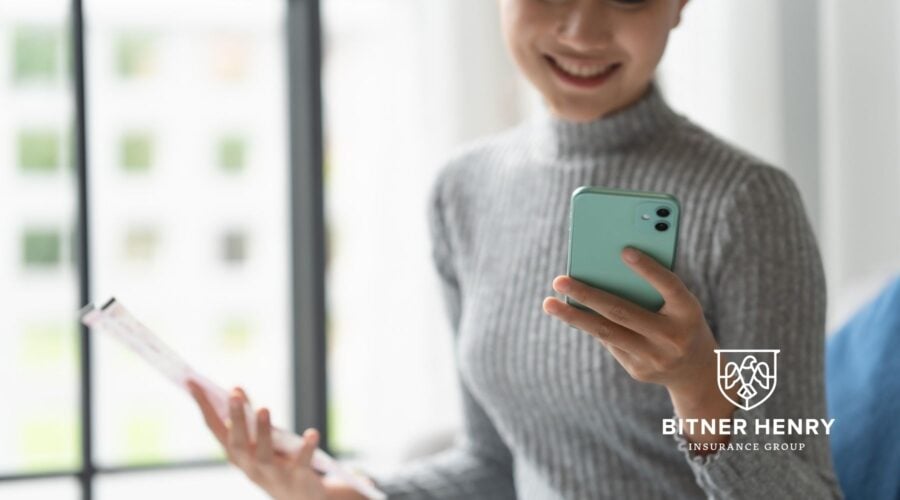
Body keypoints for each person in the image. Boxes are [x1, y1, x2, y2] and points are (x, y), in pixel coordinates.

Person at [189, 0, 844, 498]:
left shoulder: (746, 203)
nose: (584, 32)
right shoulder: (464, 190)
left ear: (680, 5)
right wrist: (355, 492)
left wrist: (702, 393)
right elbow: (494, 466)